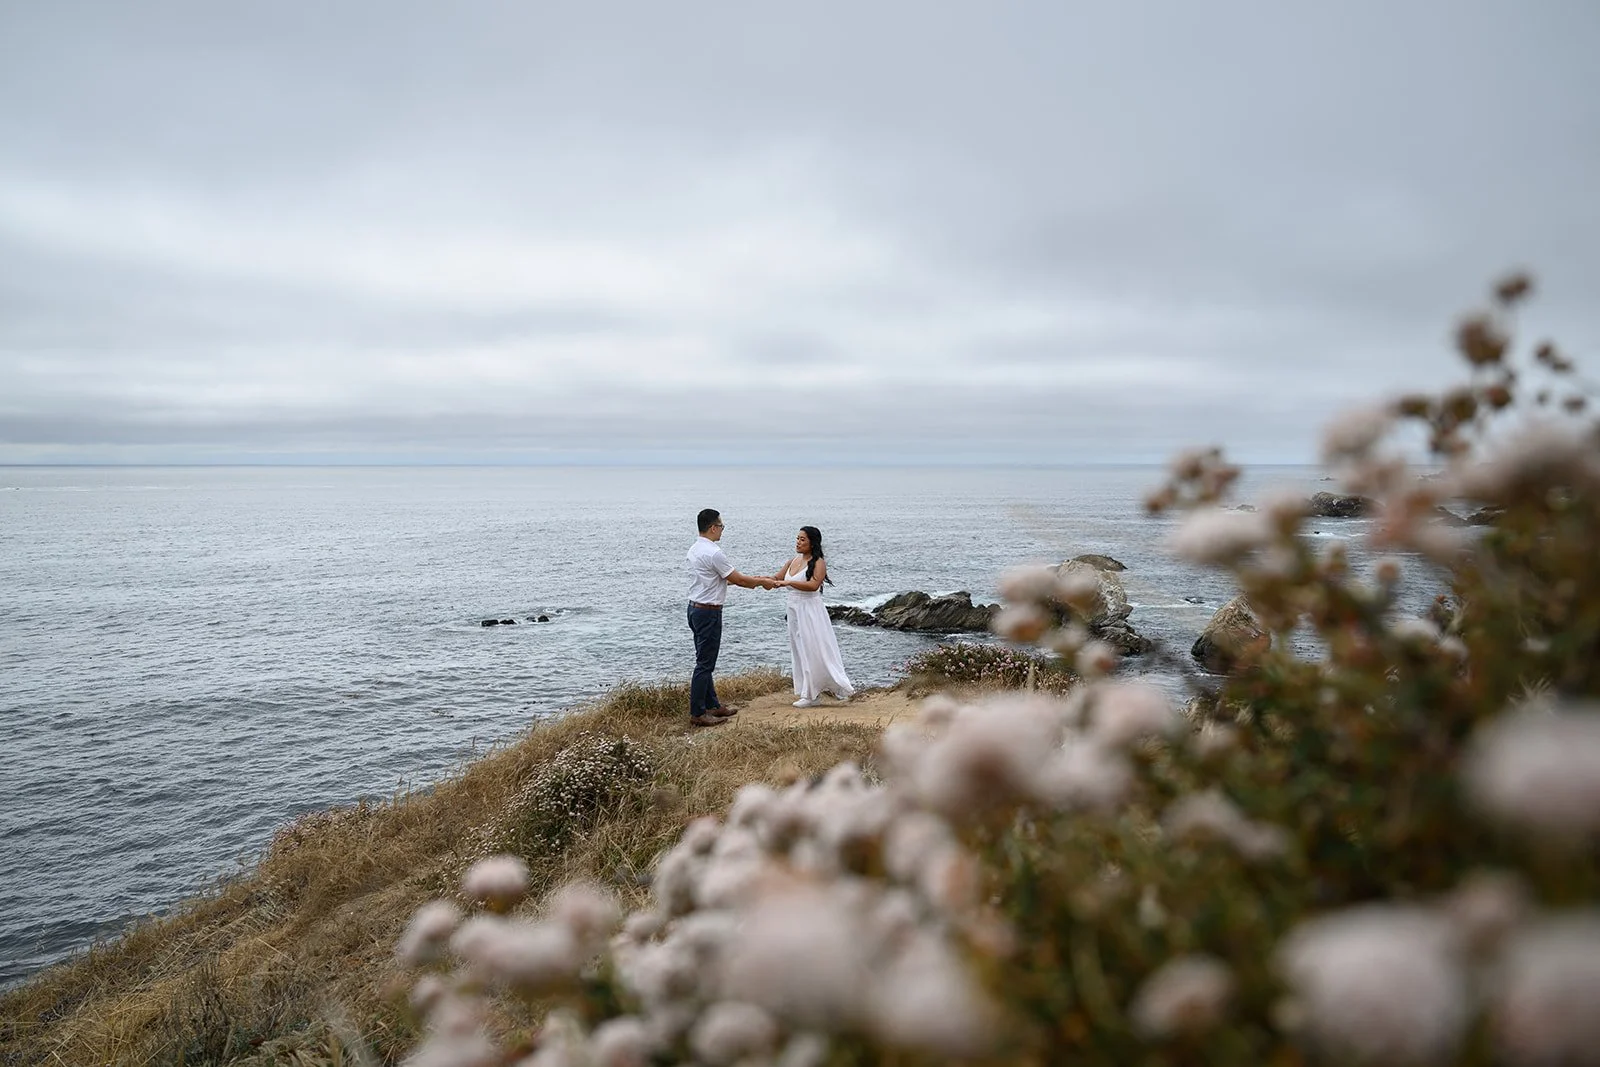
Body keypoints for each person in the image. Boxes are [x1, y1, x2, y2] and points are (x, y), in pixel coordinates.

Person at [685, 508, 775, 727]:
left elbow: (722, 579)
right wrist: (761, 582)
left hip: (694, 608)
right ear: (713, 527)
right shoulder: (714, 552)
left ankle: (713, 705)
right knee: (705, 664)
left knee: (703, 660)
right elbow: (738, 579)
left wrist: (755, 579)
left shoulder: (695, 549)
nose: (722, 530)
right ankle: (698, 712)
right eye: (721, 526)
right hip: (708, 611)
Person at [772, 525, 856, 708]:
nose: (798, 542)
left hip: (810, 609)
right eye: (797, 538)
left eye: (802, 539)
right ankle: (807, 691)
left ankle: (812, 695)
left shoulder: (818, 562)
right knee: (799, 648)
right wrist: (750, 581)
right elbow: (775, 578)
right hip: (794, 608)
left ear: (812, 543)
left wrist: (788, 582)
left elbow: (813, 585)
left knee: (812, 648)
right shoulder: (792, 561)